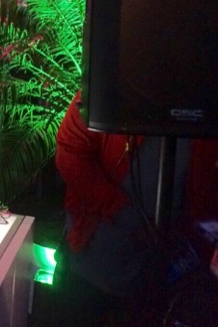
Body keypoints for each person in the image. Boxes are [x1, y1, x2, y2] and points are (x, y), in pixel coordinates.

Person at [53, 92, 218, 326]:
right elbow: (70, 152)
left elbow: (205, 195)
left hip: (159, 274)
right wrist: (124, 213)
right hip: (90, 260)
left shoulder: (204, 99)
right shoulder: (114, 82)